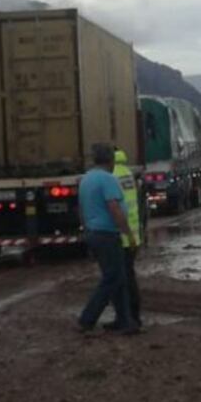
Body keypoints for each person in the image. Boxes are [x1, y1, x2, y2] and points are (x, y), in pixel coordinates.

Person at [78, 143, 139, 335]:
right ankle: (87, 319)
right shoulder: (108, 179)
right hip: (107, 234)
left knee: (117, 278)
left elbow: (81, 208)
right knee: (112, 278)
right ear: (110, 160)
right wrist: (128, 234)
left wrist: (86, 229)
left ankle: (124, 321)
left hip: (93, 233)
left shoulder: (86, 179)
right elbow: (114, 208)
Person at [113, 148, 143, 325]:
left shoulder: (112, 175)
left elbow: (114, 206)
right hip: (133, 233)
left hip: (122, 234)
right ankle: (132, 315)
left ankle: (128, 317)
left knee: (122, 279)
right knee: (129, 276)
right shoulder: (127, 173)